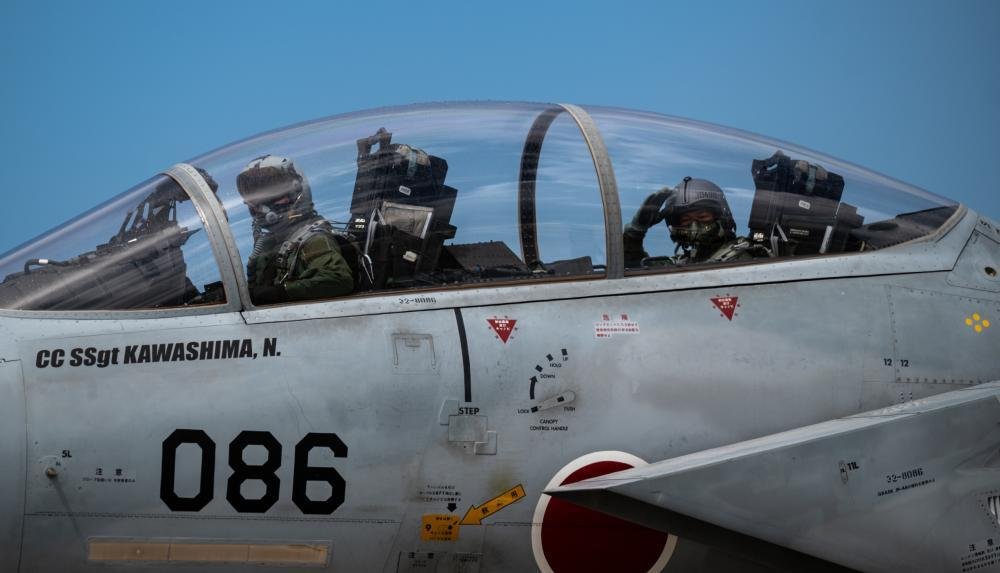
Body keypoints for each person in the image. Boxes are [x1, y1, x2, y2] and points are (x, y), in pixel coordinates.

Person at [236, 154, 354, 304]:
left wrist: (281, 292)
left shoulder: (314, 239)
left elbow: (338, 279)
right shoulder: (269, 244)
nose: (261, 207)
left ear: (298, 191)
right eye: (256, 199)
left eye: (273, 194)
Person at [623, 176, 765, 267]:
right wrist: (635, 233)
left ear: (722, 217)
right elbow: (634, 266)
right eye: (686, 220)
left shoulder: (743, 257)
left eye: (702, 218)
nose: (694, 226)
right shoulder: (687, 261)